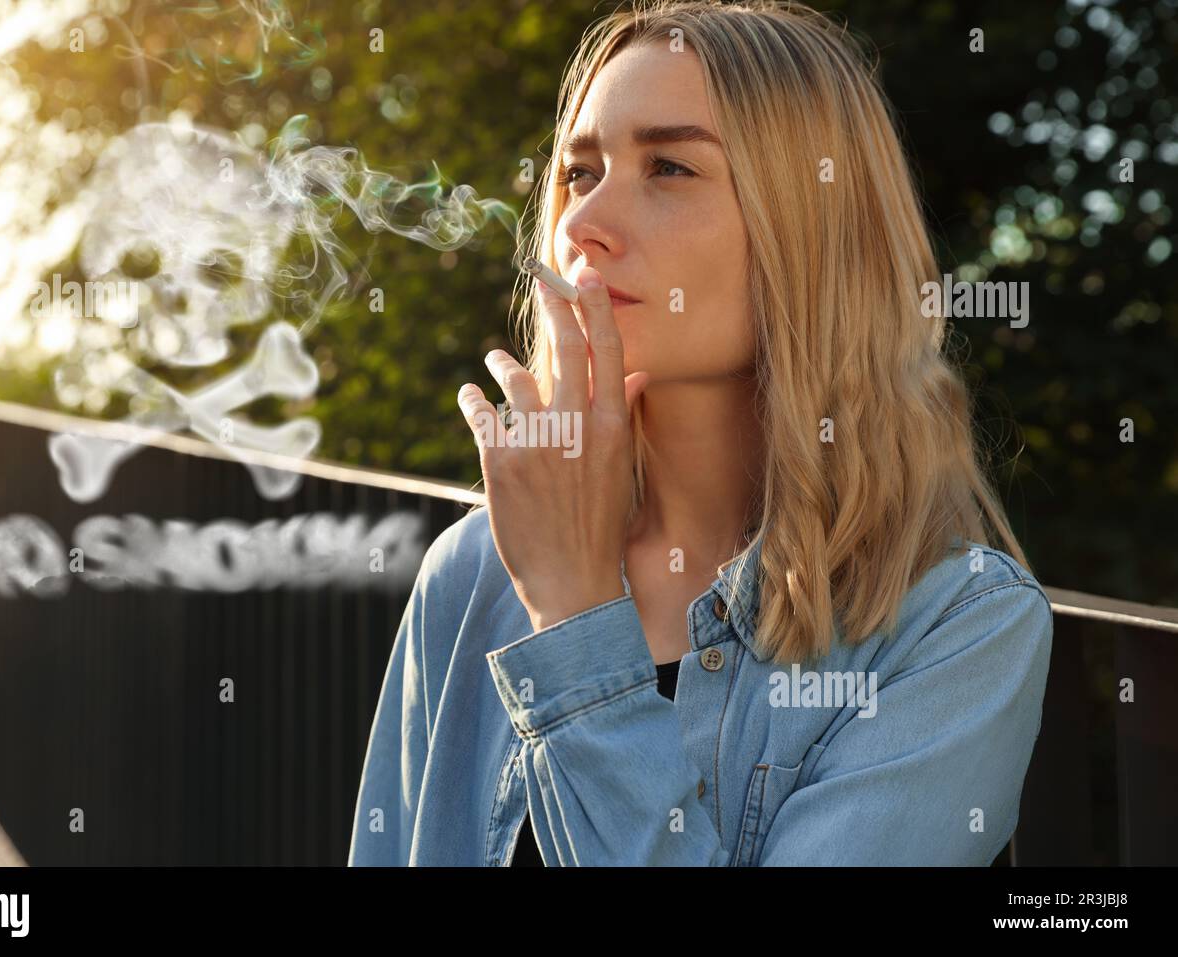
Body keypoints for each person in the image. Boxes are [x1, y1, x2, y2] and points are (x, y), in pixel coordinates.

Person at [348, 0, 1053, 867]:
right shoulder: (475, 571)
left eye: (670, 167)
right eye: (579, 173)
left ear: (815, 225)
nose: (580, 225)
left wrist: (573, 614)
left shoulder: (955, 630)